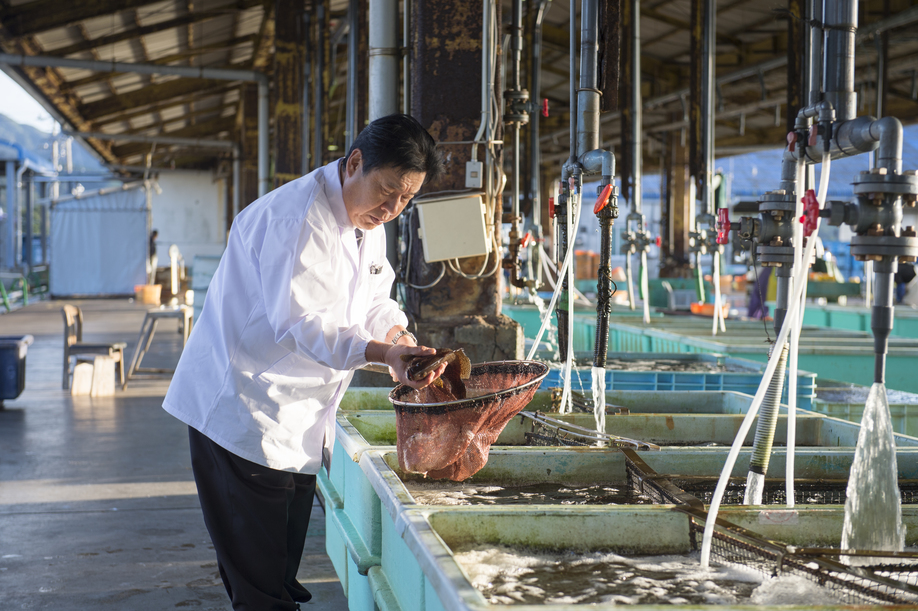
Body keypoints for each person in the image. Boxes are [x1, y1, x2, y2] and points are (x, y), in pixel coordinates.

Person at [162, 114, 447, 611]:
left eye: (406, 199)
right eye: (387, 191)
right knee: (262, 588)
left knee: (277, 568)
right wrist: (385, 356)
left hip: (296, 419)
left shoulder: (366, 222)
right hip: (242, 413)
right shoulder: (296, 217)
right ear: (354, 162)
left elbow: (374, 298)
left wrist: (399, 335)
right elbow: (299, 323)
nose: (392, 208)